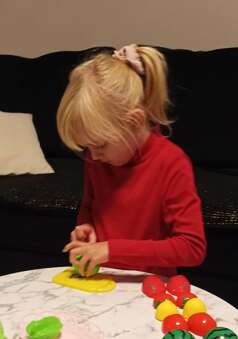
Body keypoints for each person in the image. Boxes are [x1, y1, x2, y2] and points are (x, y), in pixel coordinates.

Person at [57, 44, 206, 277]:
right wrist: (86, 226)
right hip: (101, 280)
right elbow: (90, 205)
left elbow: (192, 247)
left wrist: (110, 250)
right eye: (87, 147)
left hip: (149, 288)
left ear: (134, 122)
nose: (93, 156)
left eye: (100, 145)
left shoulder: (171, 163)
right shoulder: (97, 159)